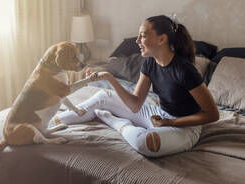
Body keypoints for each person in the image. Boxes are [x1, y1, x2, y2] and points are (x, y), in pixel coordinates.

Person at [54, 15, 219, 157]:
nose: (137, 41)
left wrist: (171, 123)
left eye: (143, 35)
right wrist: (110, 78)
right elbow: (135, 105)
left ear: (162, 39)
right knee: (102, 96)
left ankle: (114, 122)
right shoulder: (149, 63)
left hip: (185, 127)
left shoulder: (185, 70)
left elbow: (212, 114)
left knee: (145, 143)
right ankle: (47, 124)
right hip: (159, 115)